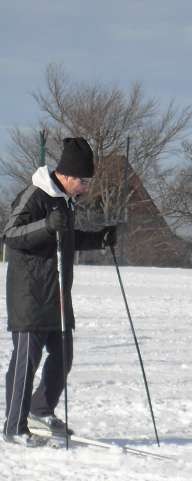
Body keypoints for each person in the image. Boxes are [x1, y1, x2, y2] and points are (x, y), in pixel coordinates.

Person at [2, 137, 117, 447]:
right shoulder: (35, 195)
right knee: (27, 360)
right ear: (66, 174)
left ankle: (40, 410)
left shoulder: (64, 200)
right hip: (30, 294)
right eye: (82, 181)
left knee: (63, 354)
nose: (85, 188)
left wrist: (99, 239)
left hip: (57, 294)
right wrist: (46, 226)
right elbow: (10, 234)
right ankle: (14, 426)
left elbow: (65, 237)